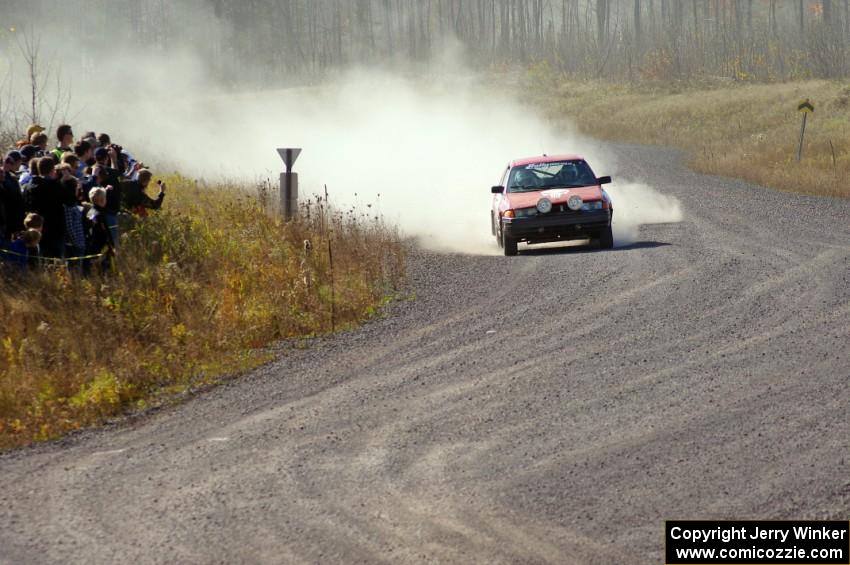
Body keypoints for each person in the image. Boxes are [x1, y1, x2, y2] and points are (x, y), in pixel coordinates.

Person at [84, 187, 114, 273]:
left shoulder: (91, 211)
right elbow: (103, 229)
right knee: (104, 267)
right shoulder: (99, 213)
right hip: (101, 244)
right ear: (102, 200)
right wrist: (110, 243)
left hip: (92, 242)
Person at [2, 151, 25, 240]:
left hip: (14, 221)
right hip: (9, 221)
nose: (20, 164)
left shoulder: (12, 177)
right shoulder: (6, 179)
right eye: (19, 161)